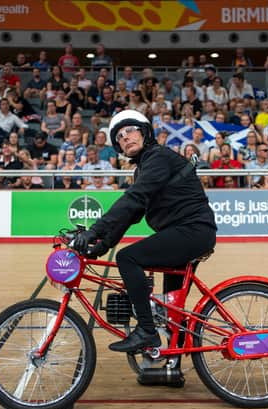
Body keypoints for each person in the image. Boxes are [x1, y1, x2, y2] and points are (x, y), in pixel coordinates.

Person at [71, 110, 216, 368]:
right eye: (119, 137)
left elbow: (133, 199)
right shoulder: (145, 168)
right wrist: (101, 246)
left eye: (130, 131)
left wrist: (94, 230)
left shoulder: (157, 158)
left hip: (191, 231)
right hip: (186, 233)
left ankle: (146, 331)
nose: (125, 138)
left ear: (145, 132)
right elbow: (132, 214)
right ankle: (172, 364)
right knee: (173, 306)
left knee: (128, 258)